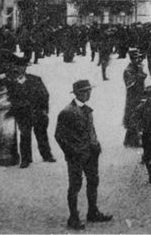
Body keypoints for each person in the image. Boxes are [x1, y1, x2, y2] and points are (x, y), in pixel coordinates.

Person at [55, 80, 112, 230]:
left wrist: (96, 144)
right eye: (84, 91)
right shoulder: (67, 112)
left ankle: (92, 212)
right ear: (76, 93)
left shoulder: (87, 109)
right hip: (76, 156)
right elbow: (59, 136)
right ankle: (73, 217)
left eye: (89, 91)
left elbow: (90, 130)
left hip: (91, 153)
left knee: (93, 181)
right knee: (75, 185)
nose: (88, 94)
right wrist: (72, 152)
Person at [7, 59, 56, 167]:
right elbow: (10, 99)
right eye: (17, 67)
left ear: (25, 68)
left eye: (22, 67)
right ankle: (26, 159)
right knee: (25, 136)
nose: (19, 69)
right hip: (22, 114)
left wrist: (44, 109)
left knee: (41, 134)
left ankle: (46, 155)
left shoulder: (35, 79)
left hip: (37, 112)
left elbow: (45, 94)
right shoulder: (11, 83)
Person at [123, 49, 147, 148]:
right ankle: (132, 140)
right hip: (133, 97)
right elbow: (130, 84)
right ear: (132, 58)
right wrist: (140, 73)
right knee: (133, 116)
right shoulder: (128, 70)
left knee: (136, 116)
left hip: (139, 94)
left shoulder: (136, 68)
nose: (138, 60)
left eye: (139, 58)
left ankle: (130, 140)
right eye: (136, 58)